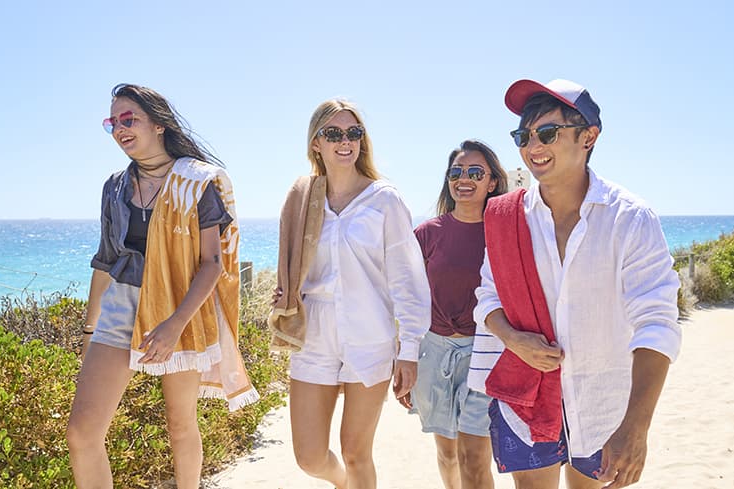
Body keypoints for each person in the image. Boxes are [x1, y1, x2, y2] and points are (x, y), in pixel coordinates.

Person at [470, 79, 681, 489]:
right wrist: (512, 338)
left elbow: (657, 323)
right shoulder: (504, 216)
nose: (533, 146)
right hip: (526, 398)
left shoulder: (630, 218)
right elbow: (487, 295)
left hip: (604, 401)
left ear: (588, 136)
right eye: (523, 135)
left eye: (547, 132)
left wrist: (637, 428)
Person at [66, 83, 258, 489]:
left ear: (157, 124)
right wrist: (90, 327)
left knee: (180, 423)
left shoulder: (196, 182)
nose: (120, 129)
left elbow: (211, 263)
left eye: (128, 118)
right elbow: (105, 261)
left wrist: (175, 324)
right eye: (112, 123)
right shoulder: (114, 187)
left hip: (180, 306)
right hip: (121, 307)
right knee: (82, 433)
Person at [269, 98, 430, 489]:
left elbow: (407, 278)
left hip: (370, 336)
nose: (345, 141)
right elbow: (294, 266)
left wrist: (409, 349)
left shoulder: (384, 199)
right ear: (316, 144)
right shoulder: (303, 198)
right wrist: (286, 292)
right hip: (315, 335)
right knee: (309, 457)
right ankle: (343, 484)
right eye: (334, 133)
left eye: (354, 133)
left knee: (357, 452)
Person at [404, 139, 508, 489]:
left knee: (474, 458)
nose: (465, 178)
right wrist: (402, 359)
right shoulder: (426, 234)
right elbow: (404, 297)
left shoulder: (505, 233)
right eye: (457, 172)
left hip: (485, 353)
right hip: (433, 353)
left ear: (492, 182)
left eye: (476, 172)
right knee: (448, 454)